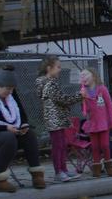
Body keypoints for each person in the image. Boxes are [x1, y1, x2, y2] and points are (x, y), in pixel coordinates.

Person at [35, 55, 82, 183]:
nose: (60, 69)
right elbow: (63, 99)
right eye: (58, 67)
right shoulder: (50, 85)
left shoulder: (49, 83)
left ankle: (63, 169)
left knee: (62, 144)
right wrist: (80, 96)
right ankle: (58, 172)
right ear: (49, 68)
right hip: (54, 119)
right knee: (58, 146)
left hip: (57, 119)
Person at [80, 68, 112, 177]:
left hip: (103, 123)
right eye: (82, 76)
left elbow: (110, 106)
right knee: (95, 147)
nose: (84, 78)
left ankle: (108, 166)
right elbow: (85, 111)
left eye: (86, 75)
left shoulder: (102, 89)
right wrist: (83, 99)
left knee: (105, 145)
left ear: (93, 76)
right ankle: (96, 167)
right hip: (92, 124)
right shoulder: (84, 91)